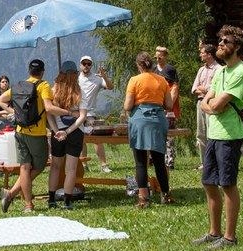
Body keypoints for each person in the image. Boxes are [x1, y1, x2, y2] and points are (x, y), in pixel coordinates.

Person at [194, 24, 243, 249]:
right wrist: (212, 105)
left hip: (230, 135)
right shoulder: (222, 71)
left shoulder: (241, 72)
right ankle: (214, 232)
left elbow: (215, 104)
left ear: (237, 47)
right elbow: (207, 101)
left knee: (227, 184)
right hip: (214, 133)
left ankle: (229, 237)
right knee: (209, 182)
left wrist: (212, 105)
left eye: (225, 42)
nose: (220, 44)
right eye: (220, 40)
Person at [0, 59, 54, 214]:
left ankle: (28, 205)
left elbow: (1, 100)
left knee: (24, 167)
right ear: (42, 72)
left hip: (20, 131)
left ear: (29, 71)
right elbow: (48, 107)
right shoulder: (43, 86)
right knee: (39, 166)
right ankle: (10, 194)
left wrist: (16, 113)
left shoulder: (19, 86)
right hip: (37, 133)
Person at [124, 51, 174, 208]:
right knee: (159, 160)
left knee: (140, 162)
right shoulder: (162, 80)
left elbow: (127, 105)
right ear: (152, 64)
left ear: (138, 65)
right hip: (158, 120)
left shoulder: (134, 80)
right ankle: (165, 195)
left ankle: (144, 199)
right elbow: (169, 105)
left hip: (140, 120)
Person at [48, 61, 86, 210]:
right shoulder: (79, 92)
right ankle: (67, 202)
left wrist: (56, 130)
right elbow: (82, 117)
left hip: (57, 132)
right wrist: (68, 131)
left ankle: (51, 200)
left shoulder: (53, 91)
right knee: (71, 169)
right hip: (75, 132)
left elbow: (49, 113)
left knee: (55, 166)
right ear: (75, 74)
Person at [77, 56, 113, 172]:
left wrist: (104, 76)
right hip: (77, 113)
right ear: (80, 65)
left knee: (97, 139)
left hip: (90, 113)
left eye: (89, 64)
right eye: (84, 63)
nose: (86, 66)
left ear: (91, 65)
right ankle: (84, 165)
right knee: (81, 140)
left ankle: (104, 165)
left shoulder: (97, 78)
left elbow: (110, 87)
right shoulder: (76, 78)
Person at [191, 42, 220, 167]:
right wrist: (204, 89)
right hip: (200, 102)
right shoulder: (201, 70)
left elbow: (216, 88)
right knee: (201, 133)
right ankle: (204, 163)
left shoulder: (219, 69)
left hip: (211, 103)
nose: (200, 55)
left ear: (209, 55)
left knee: (212, 132)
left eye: (202, 53)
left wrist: (205, 89)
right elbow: (194, 89)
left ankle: (214, 162)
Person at [152, 46, 181, 168]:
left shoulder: (170, 69)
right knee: (156, 132)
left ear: (165, 56)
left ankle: (170, 160)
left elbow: (175, 87)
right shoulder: (153, 69)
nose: (158, 59)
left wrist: (169, 104)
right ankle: (156, 159)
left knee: (169, 133)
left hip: (169, 106)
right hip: (156, 104)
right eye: (156, 57)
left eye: (160, 57)